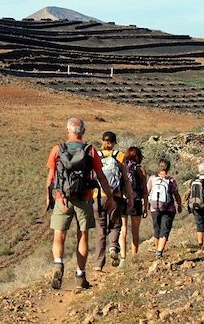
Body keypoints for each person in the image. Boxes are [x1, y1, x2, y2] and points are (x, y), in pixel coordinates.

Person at [46, 117, 117, 290]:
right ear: (83, 131)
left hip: (62, 198)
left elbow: (51, 177)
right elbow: (101, 177)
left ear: (67, 130)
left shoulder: (58, 149)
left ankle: (58, 264)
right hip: (84, 198)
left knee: (59, 235)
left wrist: (49, 197)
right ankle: (80, 276)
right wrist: (110, 197)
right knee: (82, 236)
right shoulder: (90, 150)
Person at [92, 131, 133, 271]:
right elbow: (126, 179)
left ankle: (98, 264)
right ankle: (113, 247)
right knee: (116, 225)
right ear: (114, 142)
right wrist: (130, 197)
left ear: (102, 141)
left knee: (100, 230)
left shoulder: (96, 156)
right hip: (116, 197)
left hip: (98, 197)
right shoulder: (120, 156)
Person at [118, 145, 148, 265]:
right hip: (135, 201)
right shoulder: (141, 170)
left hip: (123, 200)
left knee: (122, 229)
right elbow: (145, 191)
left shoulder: (122, 167)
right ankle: (134, 257)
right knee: (135, 231)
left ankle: (123, 258)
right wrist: (145, 206)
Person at [147, 158, 182, 258]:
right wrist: (179, 205)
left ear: (159, 167)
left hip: (154, 208)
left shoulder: (152, 179)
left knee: (156, 230)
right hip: (168, 208)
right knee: (165, 230)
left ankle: (157, 251)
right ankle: (159, 252)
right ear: (169, 168)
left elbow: (147, 192)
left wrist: (145, 206)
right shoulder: (171, 180)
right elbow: (176, 194)